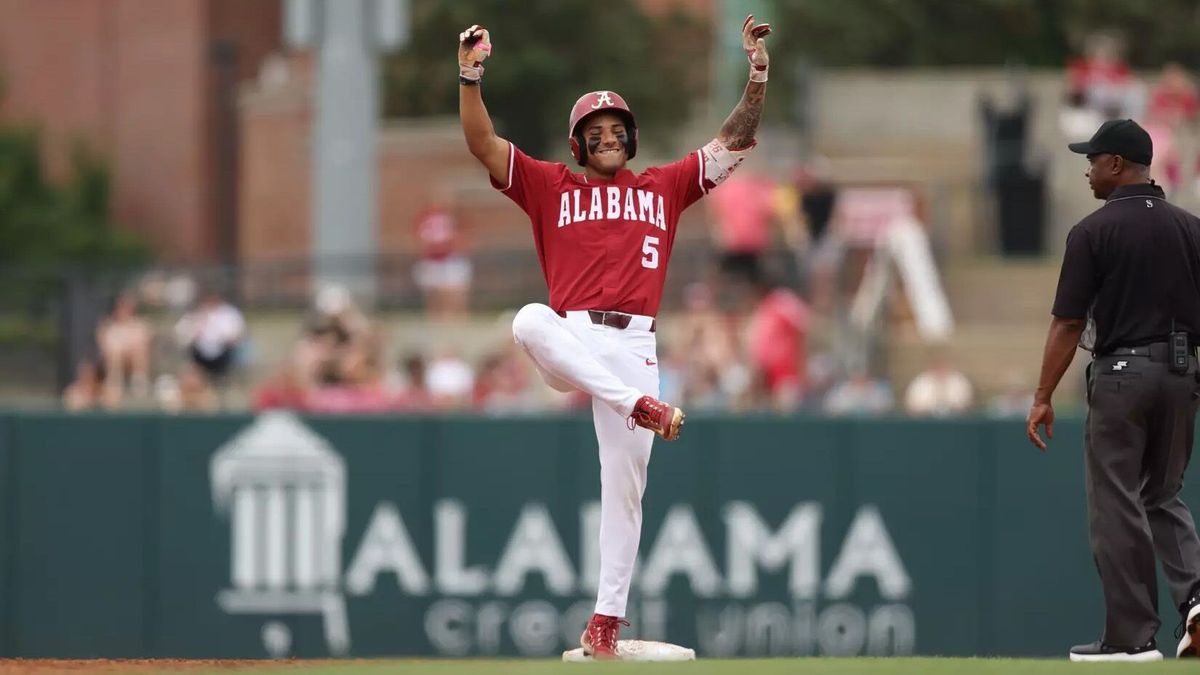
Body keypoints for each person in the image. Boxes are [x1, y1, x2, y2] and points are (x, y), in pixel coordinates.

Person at [457, 14, 772, 660]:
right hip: (572, 338)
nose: (605, 138)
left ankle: (605, 621)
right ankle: (638, 406)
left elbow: (735, 139)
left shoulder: (664, 186)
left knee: (625, 489)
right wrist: (469, 75)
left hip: (634, 348)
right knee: (525, 320)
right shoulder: (552, 185)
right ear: (577, 145)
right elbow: (483, 142)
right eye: (593, 132)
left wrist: (757, 73)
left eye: (614, 130)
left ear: (630, 137)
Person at [1027, 119, 1200, 662]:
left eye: (1094, 159)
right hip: (1182, 374)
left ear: (1118, 166)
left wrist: (1041, 395)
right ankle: (1196, 599)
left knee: (1116, 500)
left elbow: (1068, 324)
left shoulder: (1092, 232)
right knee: (1163, 495)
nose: (1088, 168)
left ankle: (1130, 638)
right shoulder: (1192, 229)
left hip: (1123, 375)